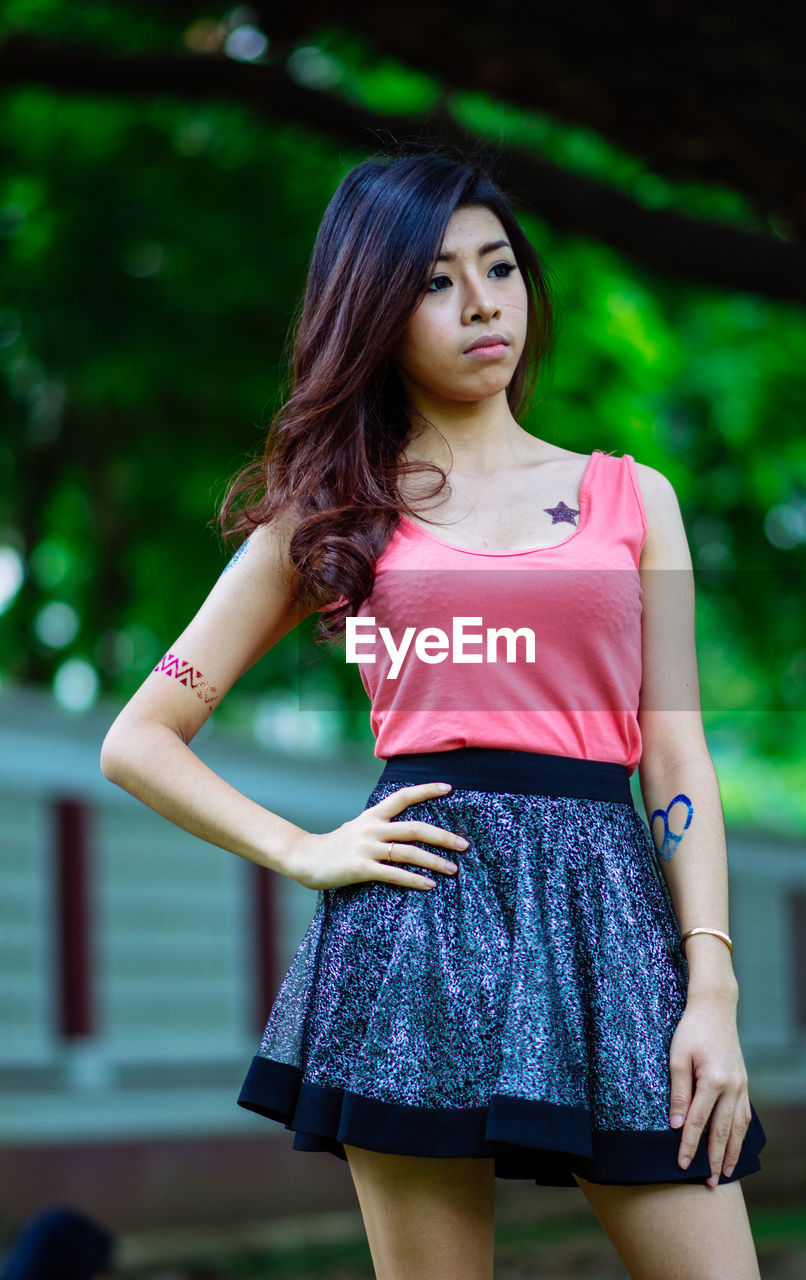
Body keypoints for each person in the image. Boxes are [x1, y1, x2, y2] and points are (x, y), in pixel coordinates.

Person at [101, 142, 766, 1280]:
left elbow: (672, 749)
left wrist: (710, 981)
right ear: (372, 306)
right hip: (416, 929)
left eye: (497, 267)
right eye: (432, 281)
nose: (479, 304)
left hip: (612, 924)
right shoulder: (329, 517)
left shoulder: (631, 497)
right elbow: (138, 738)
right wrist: (305, 848)